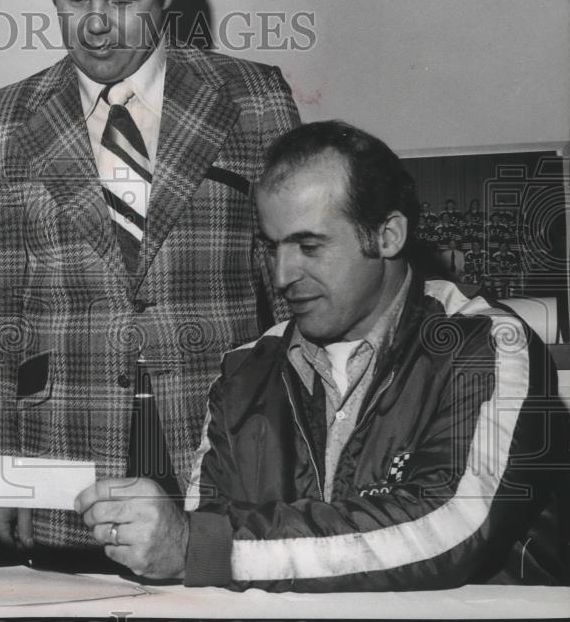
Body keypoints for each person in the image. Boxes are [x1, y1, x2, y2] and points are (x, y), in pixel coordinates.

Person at [76, 121, 568, 590]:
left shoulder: (486, 343)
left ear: (387, 235)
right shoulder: (245, 371)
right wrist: (180, 541)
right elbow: (208, 535)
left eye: (309, 246)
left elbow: (450, 526)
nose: (283, 274)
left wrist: (198, 546)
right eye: (271, 248)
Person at [0, 0, 300, 564]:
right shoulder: (4, 123)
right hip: (65, 452)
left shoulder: (253, 100)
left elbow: (291, 290)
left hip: (226, 441)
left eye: (121, 0)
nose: (95, 26)